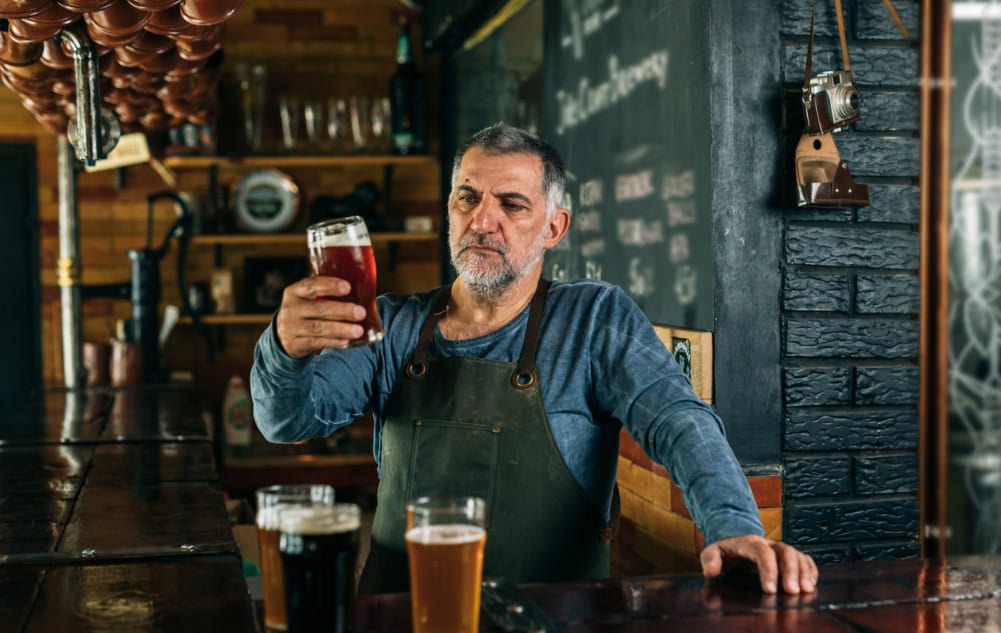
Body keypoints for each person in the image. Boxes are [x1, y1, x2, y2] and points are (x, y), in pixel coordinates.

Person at [251, 123, 818, 595]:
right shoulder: (393, 324)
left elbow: (679, 419)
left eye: (511, 204)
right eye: (467, 197)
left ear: (554, 227)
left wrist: (733, 526)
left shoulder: (593, 319)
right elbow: (286, 421)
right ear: (449, 209)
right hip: (400, 630)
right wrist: (283, 347)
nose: (482, 219)